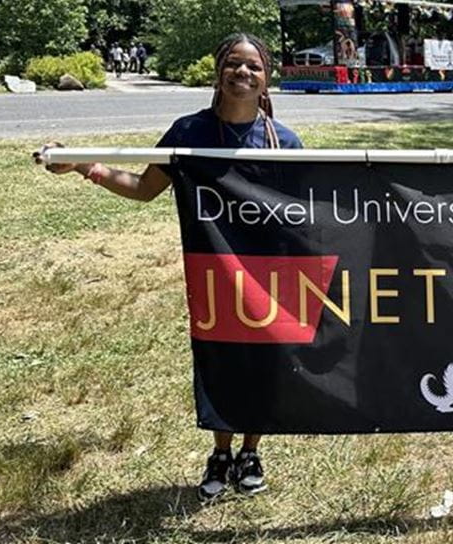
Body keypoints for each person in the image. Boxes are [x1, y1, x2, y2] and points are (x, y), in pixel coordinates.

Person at [40, 33, 303, 500]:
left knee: (264, 362)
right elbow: (144, 189)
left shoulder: (283, 141)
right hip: (213, 269)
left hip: (267, 270)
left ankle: (251, 452)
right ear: (219, 71)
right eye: (234, 64)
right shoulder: (188, 133)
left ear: (267, 79)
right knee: (221, 358)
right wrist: (84, 166)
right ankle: (221, 452)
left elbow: (305, 210)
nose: (243, 73)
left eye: (254, 67)